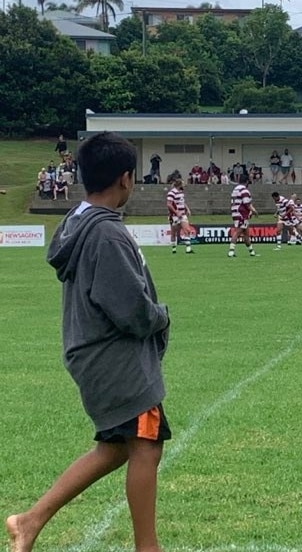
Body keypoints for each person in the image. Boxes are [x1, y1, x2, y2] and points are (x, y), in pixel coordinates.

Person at [6, 132, 171, 552]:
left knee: (116, 449)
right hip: (114, 356)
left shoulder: (79, 223)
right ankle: (147, 548)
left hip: (92, 350)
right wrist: (160, 316)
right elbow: (132, 310)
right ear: (126, 179)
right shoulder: (106, 234)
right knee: (147, 446)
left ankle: (29, 520)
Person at [228, 180, 259, 257]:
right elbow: (247, 203)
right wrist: (254, 211)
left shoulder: (235, 190)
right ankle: (231, 251)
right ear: (247, 182)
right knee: (238, 231)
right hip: (241, 214)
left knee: (246, 233)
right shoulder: (244, 190)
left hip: (235, 212)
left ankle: (252, 252)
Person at [166, 179, 194, 254]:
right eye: (183, 183)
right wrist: (176, 212)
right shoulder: (172, 193)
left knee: (187, 229)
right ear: (179, 184)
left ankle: (188, 248)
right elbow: (169, 204)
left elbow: (182, 202)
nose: (184, 185)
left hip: (182, 214)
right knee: (173, 232)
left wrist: (187, 209)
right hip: (174, 216)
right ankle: (174, 249)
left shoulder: (181, 193)